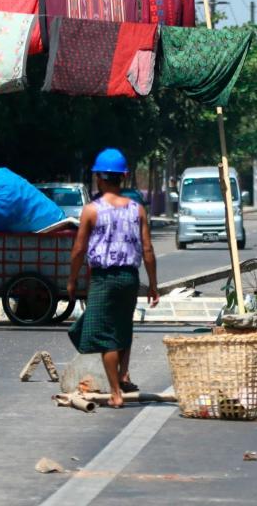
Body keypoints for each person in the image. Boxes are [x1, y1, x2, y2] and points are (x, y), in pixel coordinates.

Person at [68, 148, 159, 408]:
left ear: (99, 177)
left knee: (107, 335)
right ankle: (123, 374)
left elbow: (78, 250)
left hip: (103, 279)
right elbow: (148, 250)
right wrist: (153, 284)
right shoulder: (137, 209)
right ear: (124, 177)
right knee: (123, 326)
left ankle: (116, 391)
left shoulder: (91, 210)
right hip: (130, 278)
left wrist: (72, 280)